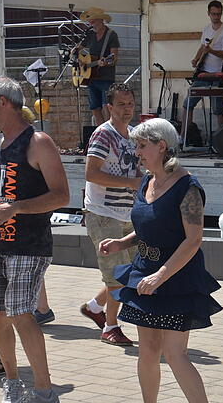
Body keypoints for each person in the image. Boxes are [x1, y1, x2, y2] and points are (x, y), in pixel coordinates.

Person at [0, 76, 69, 403]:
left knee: (21, 314)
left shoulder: (38, 142)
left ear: (4, 103)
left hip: (29, 245)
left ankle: (44, 390)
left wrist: (18, 208)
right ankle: (12, 383)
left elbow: (62, 195)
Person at [101, 118, 222, 403]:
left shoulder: (187, 187)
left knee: (175, 354)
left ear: (162, 146)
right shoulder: (147, 181)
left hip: (176, 280)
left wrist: (161, 276)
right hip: (144, 276)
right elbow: (149, 225)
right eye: (136, 146)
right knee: (148, 350)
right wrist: (123, 242)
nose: (137, 152)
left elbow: (193, 240)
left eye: (142, 146)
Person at [82, 83, 141, 345]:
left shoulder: (132, 134)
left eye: (130, 104)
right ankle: (110, 327)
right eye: (121, 104)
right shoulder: (102, 135)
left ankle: (94, 307)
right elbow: (91, 173)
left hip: (127, 213)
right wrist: (132, 183)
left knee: (127, 271)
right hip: (103, 213)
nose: (127, 109)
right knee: (117, 274)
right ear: (109, 107)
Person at [182, 0, 223, 143]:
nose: (217, 17)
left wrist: (211, 51)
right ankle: (184, 137)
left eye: (219, 14)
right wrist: (195, 59)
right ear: (208, 14)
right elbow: (202, 47)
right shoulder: (206, 29)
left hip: (218, 73)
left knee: (218, 107)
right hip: (203, 71)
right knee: (188, 103)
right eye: (214, 14)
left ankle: (221, 140)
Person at [79, 7, 120, 126]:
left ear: (101, 20)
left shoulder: (111, 35)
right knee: (95, 108)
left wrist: (106, 62)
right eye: (89, 21)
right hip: (91, 77)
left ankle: (109, 133)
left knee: (106, 107)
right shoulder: (90, 34)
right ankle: (101, 133)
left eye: (93, 20)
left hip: (106, 77)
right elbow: (80, 50)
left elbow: (114, 57)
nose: (90, 23)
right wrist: (81, 60)